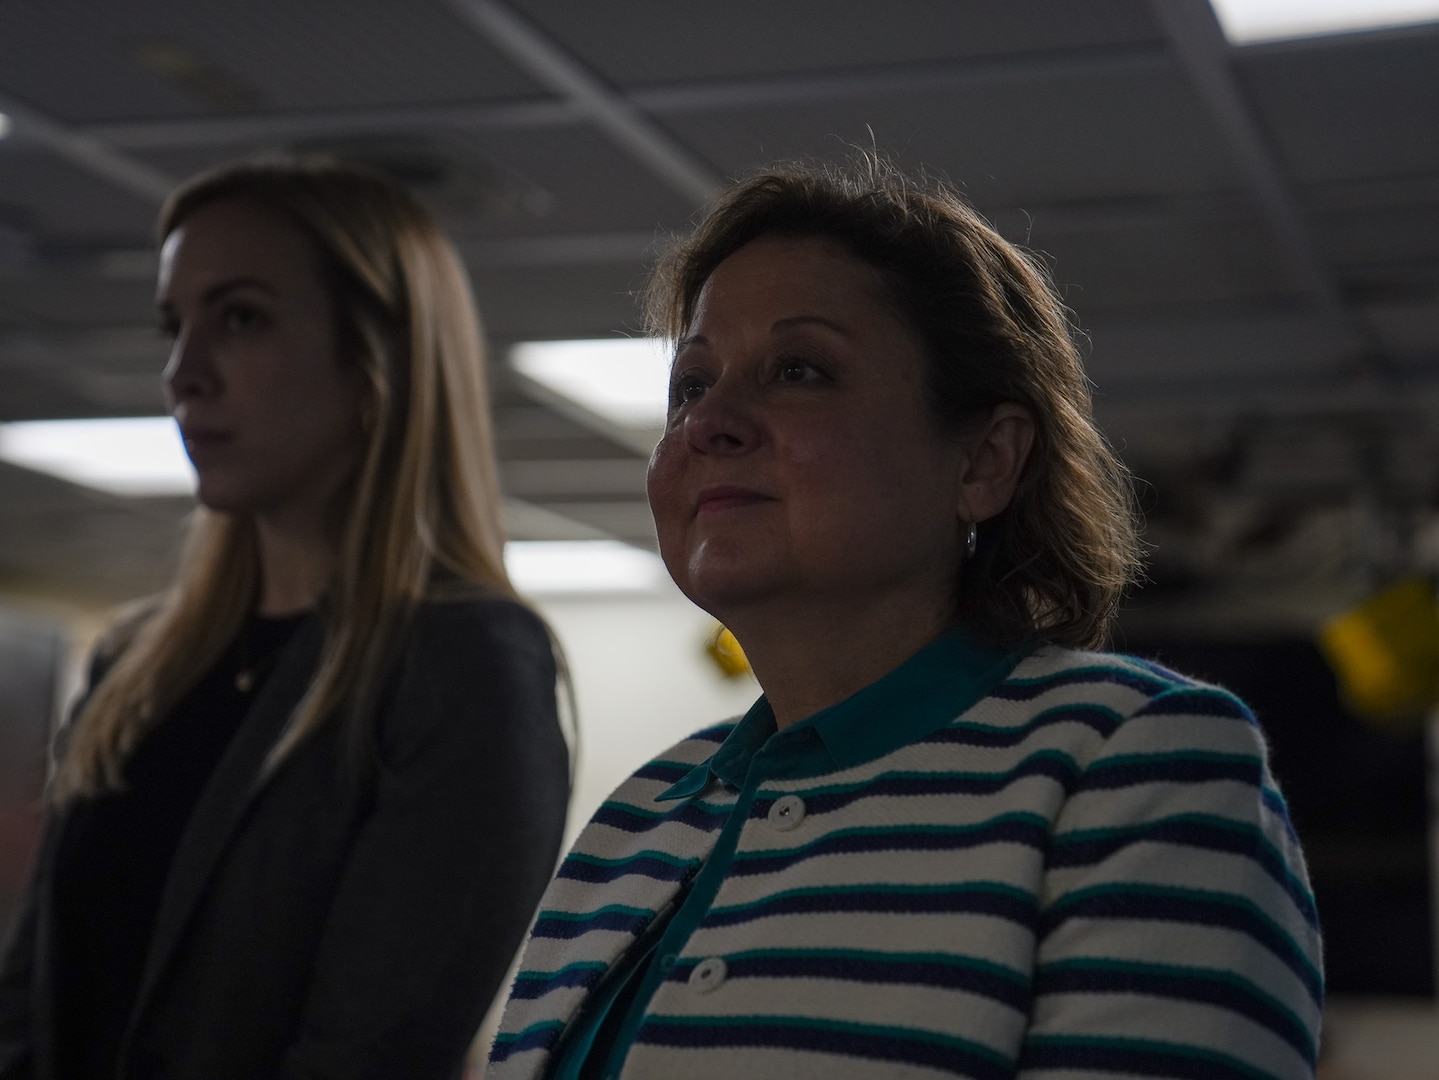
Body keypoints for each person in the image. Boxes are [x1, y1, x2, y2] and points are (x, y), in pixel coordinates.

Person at [488, 155, 1322, 1080]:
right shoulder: (640, 815)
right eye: (691, 385)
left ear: (983, 463)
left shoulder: (1135, 765)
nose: (707, 423)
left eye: (797, 370)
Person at [0, 157, 571, 1080]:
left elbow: (375, 1053)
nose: (183, 374)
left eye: (240, 318)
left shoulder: (462, 664)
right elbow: (30, 1001)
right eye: (172, 326)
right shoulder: (138, 660)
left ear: (374, 357)